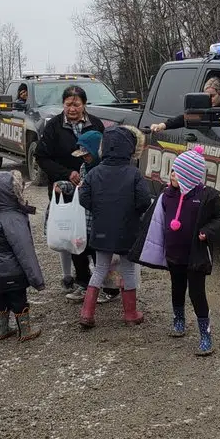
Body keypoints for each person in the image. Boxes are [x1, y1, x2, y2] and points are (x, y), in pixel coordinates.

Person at [130, 146, 220, 356]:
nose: (172, 175)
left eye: (177, 172)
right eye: (172, 171)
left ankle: (205, 334)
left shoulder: (208, 196)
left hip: (196, 255)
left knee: (196, 293)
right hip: (174, 254)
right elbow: (156, 221)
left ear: (190, 176)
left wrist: (207, 231)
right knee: (177, 287)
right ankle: (179, 320)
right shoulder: (167, 195)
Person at [79, 125, 151, 328]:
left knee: (100, 268)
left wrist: (98, 209)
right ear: (130, 149)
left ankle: (87, 312)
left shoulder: (94, 173)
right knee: (128, 269)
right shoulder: (134, 173)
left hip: (101, 227)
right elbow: (144, 200)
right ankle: (130, 314)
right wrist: (133, 211)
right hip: (128, 230)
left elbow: (83, 197)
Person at [35, 85, 104, 292]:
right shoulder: (54, 126)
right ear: (63, 105)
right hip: (63, 187)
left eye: (76, 104)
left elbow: (103, 152)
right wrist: (66, 174)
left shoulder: (96, 124)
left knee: (92, 234)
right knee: (70, 233)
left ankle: (98, 277)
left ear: (84, 105)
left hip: (92, 187)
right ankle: (73, 277)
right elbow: (42, 157)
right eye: (68, 104)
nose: (72, 109)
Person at [55, 130, 120, 304]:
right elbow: (79, 188)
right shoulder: (84, 168)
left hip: (100, 222)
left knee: (104, 257)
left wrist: (87, 190)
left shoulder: (106, 169)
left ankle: (110, 289)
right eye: (82, 154)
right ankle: (84, 284)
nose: (84, 158)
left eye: (87, 154)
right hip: (83, 222)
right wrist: (64, 186)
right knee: (78, 252)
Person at [0, 171, 45, 342]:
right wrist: (36, 279)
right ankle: (25, 331)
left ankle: (2, 329)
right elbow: (24, 251)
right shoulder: (13, 220)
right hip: (13, 271)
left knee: (2, 297)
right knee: (19, 299)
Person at [150, 76, 220, 133]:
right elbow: (184, 118)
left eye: (212, 96)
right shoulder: (203, 110)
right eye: (206, 96)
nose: (209, 99)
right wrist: (162, 125)